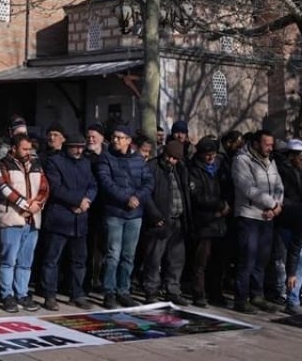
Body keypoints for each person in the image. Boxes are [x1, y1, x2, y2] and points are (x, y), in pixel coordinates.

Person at [96, 125, 152, 308]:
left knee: (129, 255)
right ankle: (109, 292)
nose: (116, 140)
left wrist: (137, 197)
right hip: (114, 213)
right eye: (114, 137)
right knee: (113, 254)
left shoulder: (138, 159)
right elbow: (106, 183)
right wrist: (126, 198)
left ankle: (124, 290)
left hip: (135, 215)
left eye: (120, 137)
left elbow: (148, 182)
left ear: (129, 140)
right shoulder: (106, 158)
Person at [41, 133, 98, 310]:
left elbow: (93, 185)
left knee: (79, 260)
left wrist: (87, 200)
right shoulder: (55, 161)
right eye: (75, 147)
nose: (79, 150)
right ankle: (49, 294)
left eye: (81, 147)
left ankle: (77, 293)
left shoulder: (86, 163)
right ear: (67, 147)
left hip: (80, 219)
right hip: (60, 218)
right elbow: (56, 188)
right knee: (52, 259)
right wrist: (76, 201)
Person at [232, 130, 284, 314]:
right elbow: (248, 188)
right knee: (247, 259)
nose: (270, 148)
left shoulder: (271, 161)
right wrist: (271, 203)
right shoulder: (242, 160)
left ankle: (257, 295)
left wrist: (277, 206)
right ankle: (241, 298)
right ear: (255, 144)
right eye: (266, 144)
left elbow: (279, 185)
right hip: (249, 216)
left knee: (262, 260)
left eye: (271, 144)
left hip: (268, 217)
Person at [0, 132, 48, 312]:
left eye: (29, 149)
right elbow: (4, 187)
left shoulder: (36, 164)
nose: (27, 152)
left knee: (26, 261)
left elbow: (44, 186)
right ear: (14, 148)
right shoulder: (3, 164)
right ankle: (6, 294)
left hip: (33, 219)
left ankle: (22, 293)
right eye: (24, 149)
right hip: (12, 218)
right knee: (8, 259)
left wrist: (37, 204)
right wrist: (24, 205)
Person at [142, 139, 191, 304]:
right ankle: (151, 291)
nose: (171, 161)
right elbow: (146, 195)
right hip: (160, 221)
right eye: (169, 157)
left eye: (175, 158)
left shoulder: (181, 169)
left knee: (176, 259)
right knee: (154, 258)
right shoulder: (152, 166)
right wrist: (155, 216)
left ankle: (173, 290)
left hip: (177, 220)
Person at [187, 137, 230, 307]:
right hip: (204, 221)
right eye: (208, 155)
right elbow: (197, 196)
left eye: (213, 154)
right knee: (201, 261)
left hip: (220, 221)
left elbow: (227, 188)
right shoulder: (194, 169)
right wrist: (219, 205)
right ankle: (199, 293)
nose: (211, 158)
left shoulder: (220, 168)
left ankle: (216, 293)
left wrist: (226, 204)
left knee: (218, 261)